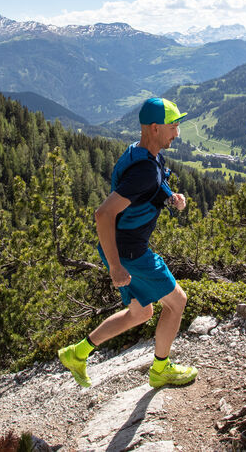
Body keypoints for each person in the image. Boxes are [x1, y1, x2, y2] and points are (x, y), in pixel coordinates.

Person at [58, 97, 198, 389]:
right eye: (173, 127)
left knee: (142, 312)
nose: (177, 133)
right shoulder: (144, 168)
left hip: (125, 247)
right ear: (155, 128)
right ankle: (161, 369)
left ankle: (77, 352)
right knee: (177, 303)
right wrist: (115, 266)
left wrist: (170, 197)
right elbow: (104, 214)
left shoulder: (143, 152)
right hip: (130, 251)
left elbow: (150, 186)